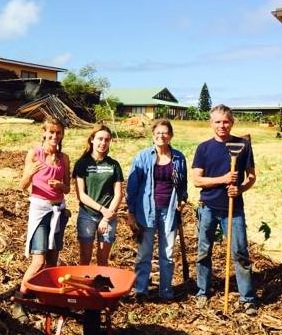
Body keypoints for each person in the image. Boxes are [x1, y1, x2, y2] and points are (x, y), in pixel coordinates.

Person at [192, 104, 258, 315]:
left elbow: (252, 177)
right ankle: (202, 291)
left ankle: (247, 298)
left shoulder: (243, 145)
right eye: (218, 122)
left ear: (232, 122)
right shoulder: (204, 148)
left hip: (234, 208)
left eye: (226, 121)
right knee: (204, 251)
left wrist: (239, 190)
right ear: (211, 123)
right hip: (208, 207)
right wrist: (223, 179)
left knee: (240, 252)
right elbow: (197, 180)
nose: (222, 125)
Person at [13, 117, 70, 321]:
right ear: (44, 133)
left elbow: (68, 188)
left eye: (58, 133)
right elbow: (22, 185)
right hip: (40, 210)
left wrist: (59, 186)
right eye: (51, 133)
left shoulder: (64, 158)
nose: (54, 136)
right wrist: (29, 173)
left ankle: (49, 298)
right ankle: (20, 300)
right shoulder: (35, 154)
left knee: (53, 260)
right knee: (38, 260)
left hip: (58, 210)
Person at [126, 119, 188, 302]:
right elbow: (132, 187)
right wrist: (131, 212)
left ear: (171, 135)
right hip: (146, 210)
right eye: (158, 133)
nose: (161, 136)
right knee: (144, 253)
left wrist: (183, 199)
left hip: (169, 211)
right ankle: (141, 290)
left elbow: (182, 185)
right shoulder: (142, 157)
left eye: (165, 132)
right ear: (153, 135)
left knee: (167, 254)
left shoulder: (178, 158)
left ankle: (166, 291)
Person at [72, 124, 124, 266]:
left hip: (109, 216)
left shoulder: (114, 165)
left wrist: (107, 217)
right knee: (85, 258)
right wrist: (102, 210)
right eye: (100, 139)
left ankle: (100, 287)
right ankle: (84, 286)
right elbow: (81, 195)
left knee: (102, 259)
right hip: (87, 215)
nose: (103, 143)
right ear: (92, 140)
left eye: (107, 140)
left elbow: (118, 194)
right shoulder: (82, 163)